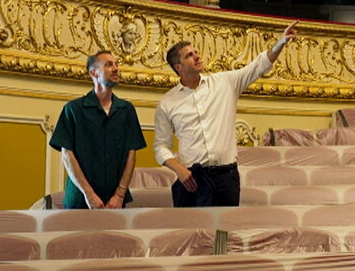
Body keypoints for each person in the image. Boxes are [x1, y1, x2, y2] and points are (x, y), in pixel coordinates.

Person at [154, 21, 298, 207]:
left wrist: (280, 43)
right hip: (193, 179)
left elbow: (257, 66)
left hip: (226, 178)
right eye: (189, 55)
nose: (197, 56)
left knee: (223, 233)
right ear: (178, 67)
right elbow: (160, 147)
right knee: (193, 233)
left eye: (196, 52)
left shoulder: (224, 83)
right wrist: (179, 170)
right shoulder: (167, 102)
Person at [49, 51, 146, 209]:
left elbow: (131, 154)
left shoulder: (126, 110)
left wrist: (120, 195)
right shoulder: (73, 109)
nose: (115, 68)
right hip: (80, 201)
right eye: (108, 64)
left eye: (116, 64)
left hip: (116, 202)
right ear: (93, 73)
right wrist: (89, 194)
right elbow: (67, 155)